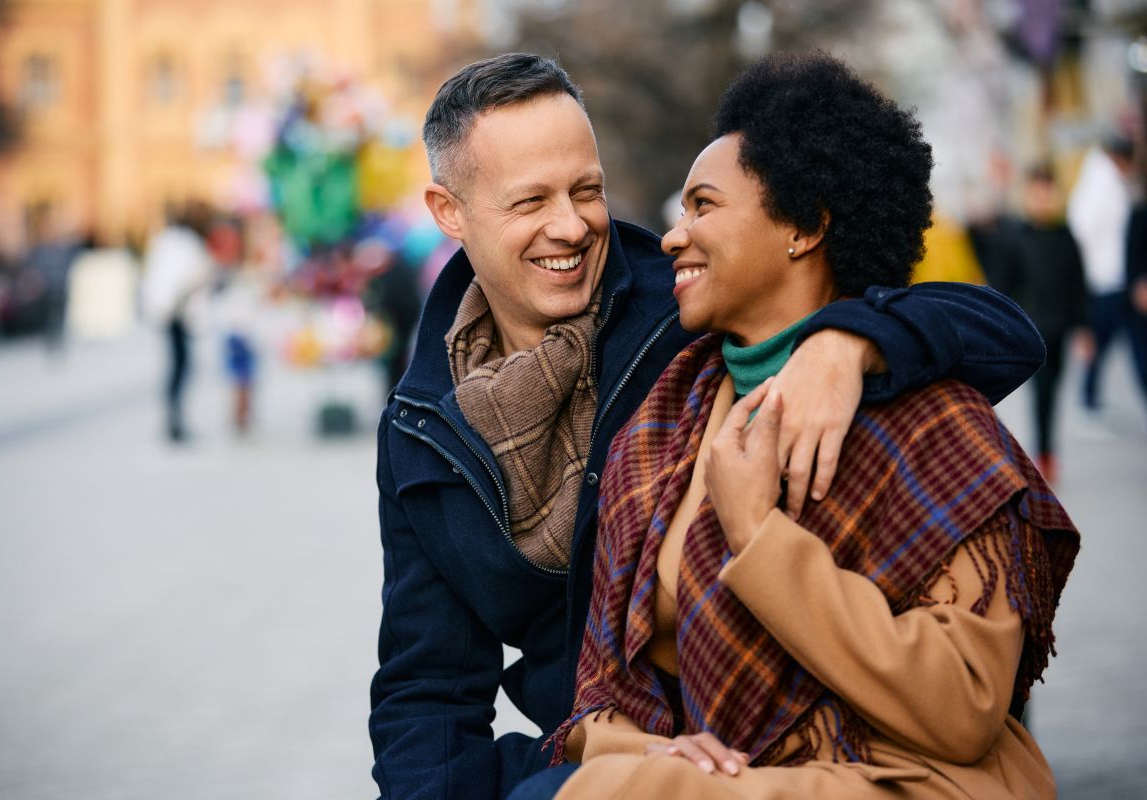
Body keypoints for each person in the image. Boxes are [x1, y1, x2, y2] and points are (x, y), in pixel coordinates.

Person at [370, 53, 1048, 800]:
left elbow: (1001, 331)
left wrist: (847, 341)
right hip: (612, 741)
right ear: (448, 211)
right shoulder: (423, 428)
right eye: (530, 202)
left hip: (776, 748)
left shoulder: (690, 309)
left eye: (587, 190)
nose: (571, 225)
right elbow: (427, 684)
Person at [985, 165, 1088, 482]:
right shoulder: (1016, 238)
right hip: (1033, 329)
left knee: (1054, 391)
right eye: (1037, 194)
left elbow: (1078, 284)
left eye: (1048, 194)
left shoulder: (1066, 236)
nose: (1043, 200)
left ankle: (1046, 451)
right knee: (1041, 393)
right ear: (1028, 196)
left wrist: (1084, 328)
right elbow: (1003, 285)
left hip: (1061, 328)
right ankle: (1043, 454)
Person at [1067, 135, 1147, 412]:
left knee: (1125, 341)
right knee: (1105, 340)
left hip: (1117, 279)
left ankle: (1088, 393)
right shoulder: (1100, 186)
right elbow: (1082, 234)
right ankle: (1088, 393)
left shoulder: (1111, 183)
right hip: (1105, 280)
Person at [141, 203, 214, 443]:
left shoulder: (165, 242)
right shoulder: (184, 244)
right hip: (177, 313)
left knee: (178, 366)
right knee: (180, 366)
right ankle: (174, 419)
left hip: (172, 311)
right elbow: (192, 276)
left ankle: (175, 418)